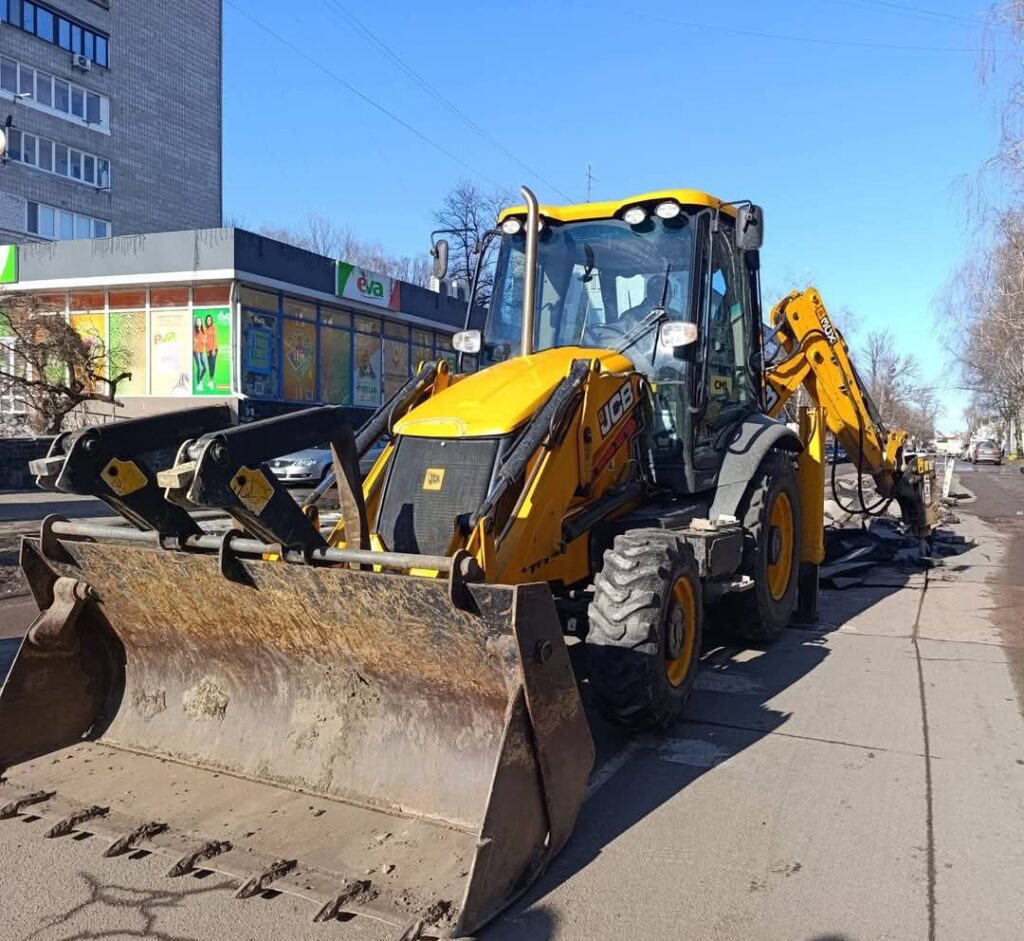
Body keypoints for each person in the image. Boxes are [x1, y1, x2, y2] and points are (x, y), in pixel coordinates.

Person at [203, 314, 218, 391]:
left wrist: (214, 349)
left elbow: (215, 338)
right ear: (206, 321)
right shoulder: (205, 328)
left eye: (210, 319)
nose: (208, 321)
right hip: (208, 350)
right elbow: (205, 340)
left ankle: (211, 381)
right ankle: (210, 381)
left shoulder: (213, 327)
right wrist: (206, 349)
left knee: (212, 364)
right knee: (209, 365)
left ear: (211, 320)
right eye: (207, 320)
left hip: (213, 349)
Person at [192, 318, 206, 388]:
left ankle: (200, 380)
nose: (198, 322)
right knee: (199, 368)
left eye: (200, 321)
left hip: (201, 350)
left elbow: (204, 340)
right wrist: (194, 341)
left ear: (201, 322)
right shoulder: (194, 330)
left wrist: (204, 341)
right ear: (196, 322)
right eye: (197, 321)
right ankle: (198, 384)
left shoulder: (203, 331)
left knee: (205, 368)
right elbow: (193, 340)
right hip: (195, 350)